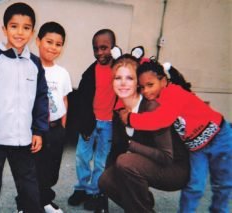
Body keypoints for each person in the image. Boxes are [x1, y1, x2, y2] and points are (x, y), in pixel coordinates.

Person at [119, 60, 232, 212]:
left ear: (163, 81)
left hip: (220, 137)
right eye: (142, 87)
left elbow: (159, 120)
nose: (145, 91)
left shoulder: (174, 93)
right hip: (196, 147)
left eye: (150, 85)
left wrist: (130, 119)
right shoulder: (157, 98)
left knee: (222, 183)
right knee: (194, 187)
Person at [0, 3, 48, 213]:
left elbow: (41, 100)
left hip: (23, 140)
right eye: (14, 26)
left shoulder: (34, 64)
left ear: (32, 32)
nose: (20, 32)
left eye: (26, 27)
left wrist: (38, 131)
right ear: (4, 29)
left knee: (29, 189)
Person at [98, 54, 190, 213]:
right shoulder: (120, 113)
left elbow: (166, 156)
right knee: (106, 180)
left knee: (126, 162)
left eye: (129, 78)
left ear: (138, 83)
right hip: (149, 163)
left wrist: (131, 145)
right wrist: (102, 198)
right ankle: (142, 206)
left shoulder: (151, 108)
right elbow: (115, 151)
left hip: (175, 168)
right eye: (117, 77)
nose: (123, 83)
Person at [67, 29, 117, 211]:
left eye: (104, 48)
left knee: (101, 161)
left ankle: (96, 191)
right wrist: (83, 124)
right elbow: (81, 101)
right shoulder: (90, 73)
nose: (99, 53)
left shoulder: (120, 70)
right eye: (96, 49)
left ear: (114, 47)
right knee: (82, 156)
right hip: (90, 123)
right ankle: (81, 188)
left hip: (109, 124)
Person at [35, 21, 72, 213]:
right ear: (38, 41)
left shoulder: (62, 73)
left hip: (55, 128)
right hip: (34, 129)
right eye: (49, 42)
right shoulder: (30, 68)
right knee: (31, 169)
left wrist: (62, 125)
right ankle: (26, 204)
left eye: (58, 44)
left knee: (51, 168)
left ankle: (45, 201)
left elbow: (64, 98)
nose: (53, 47)